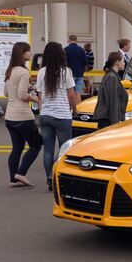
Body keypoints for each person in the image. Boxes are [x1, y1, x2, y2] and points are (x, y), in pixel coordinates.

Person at [36, 42, 80, 188]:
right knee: (64, 150)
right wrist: (75, 109)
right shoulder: (66, 71)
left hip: (45, 115)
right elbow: (72, 95)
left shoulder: (42, 72)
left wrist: (43, 111)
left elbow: (40, 95)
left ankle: (49, 180)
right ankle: (55, 177)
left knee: (47, 150)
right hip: (62, 115)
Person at [2, 41, 41, 187]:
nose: (30, 54)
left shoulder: (10, 70)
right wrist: (35, 98)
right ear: (22, 54)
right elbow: (23, 95)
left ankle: (13, 178)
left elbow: (6, 93)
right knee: (36, 144)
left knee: (17, 148)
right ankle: (21, 173)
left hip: (10, 116)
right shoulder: (24, 72)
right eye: (28, 51)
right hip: (23, 116)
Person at [92, 51, 129, 130]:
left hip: (107, 118)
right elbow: (113, 101)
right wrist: (115, 124)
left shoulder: (112, 76)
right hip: (107, 120)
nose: (124, 63)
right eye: (123, 61)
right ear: (117, 62)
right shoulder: (112, 77)